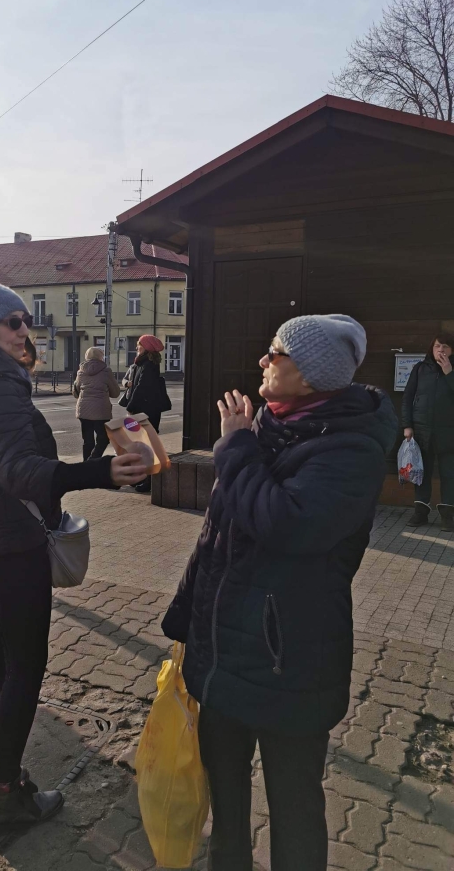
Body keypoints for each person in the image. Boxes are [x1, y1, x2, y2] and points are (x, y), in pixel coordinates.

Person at [162, 314, 398, 871]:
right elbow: (217, 534)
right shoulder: (268, 423)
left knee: (295, 810)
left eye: (276, 353)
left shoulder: (350, 448)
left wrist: (235, 447)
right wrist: (185, 616)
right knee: (226, 804)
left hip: (287, 661)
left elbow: (287, 524)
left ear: (310, 376)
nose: (263, 361)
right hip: (224, 653)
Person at [0, 272, 147, 832]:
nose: (23, 329)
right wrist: (102, 472)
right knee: (23, 669)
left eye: (26, 320)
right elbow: (19, 472)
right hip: (11, 545)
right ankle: (5, 795)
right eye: (12, 321)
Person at [401, 334, 454, 530]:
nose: (440, 350)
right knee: (421, 473)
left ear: (452, 350)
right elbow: (407, 398)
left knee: (449, 475)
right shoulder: (420, 369)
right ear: (432, 349)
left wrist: (449, 372)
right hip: (422, 431)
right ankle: (420, 512)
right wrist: (407, 425)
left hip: (449, 433)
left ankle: (448, 516)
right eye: (437, 346)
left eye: (445, 346)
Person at [125, 335, 170, 492]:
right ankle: (141, 477)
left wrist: (131, 406)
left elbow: (141, 387)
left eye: (139, 345)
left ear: (146, 348)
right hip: (147, 410)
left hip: (147, 411)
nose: (136, 347)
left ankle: (148, 480)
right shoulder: (143, 363)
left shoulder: (148, 365)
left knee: (147, 447)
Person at [73, 347, 120, 460]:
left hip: (83, 409)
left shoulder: (81, 371)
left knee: (87, 440)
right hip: (101, 410)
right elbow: (115, 393)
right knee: (103, 438)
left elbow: (75, 393)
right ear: (101, 357)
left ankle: (86, 465)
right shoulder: (106, 371)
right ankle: (93, 460)